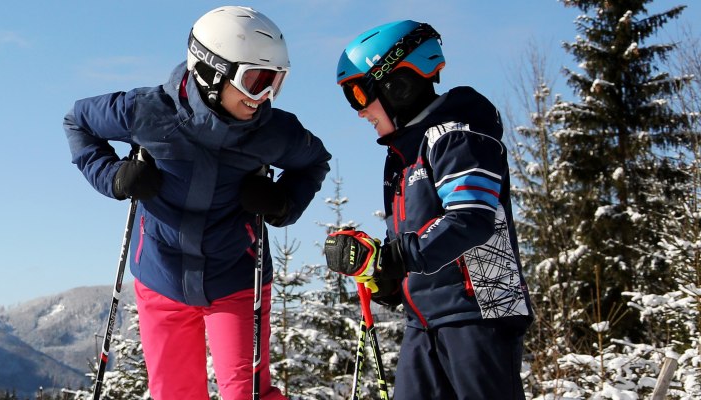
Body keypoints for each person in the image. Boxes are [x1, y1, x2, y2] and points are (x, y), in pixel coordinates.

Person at [62, 6, 329, 399]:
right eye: (255, 81)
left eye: (277, 83)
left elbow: (313, 164)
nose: (265, 97)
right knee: (175, 393)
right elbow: (78, 121)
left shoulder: (274, 132)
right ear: (210, 71)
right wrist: (114, 176)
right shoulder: (146, 112)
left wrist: (282, 201)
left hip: (236, 277)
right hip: (161, 276)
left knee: (247, 394)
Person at [324, 20, 534, 399]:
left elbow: (470, 217)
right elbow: (411, 240)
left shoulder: (457, 135)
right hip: (424, 319)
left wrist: (398, 256)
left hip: (478, 312)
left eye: (358, 94)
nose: (358, 111)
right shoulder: (403, 157)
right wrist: (384, 274)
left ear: (396, 84)